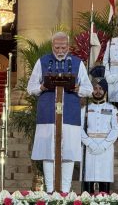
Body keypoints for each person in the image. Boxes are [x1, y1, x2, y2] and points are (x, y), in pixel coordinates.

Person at [27, 32, 93, 193]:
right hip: (47, 115)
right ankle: (50, 190)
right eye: (57, 47)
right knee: (47, 151)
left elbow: (89, 89)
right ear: (52, 46)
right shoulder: (42, 62)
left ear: (68, 47)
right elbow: (31, 88)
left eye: (63, 47)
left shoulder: (77, 63)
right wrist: (42, 87)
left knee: (69, 151)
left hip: (70, 114)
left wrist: (78, 88)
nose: (60, 50)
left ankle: (65, 190)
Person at [81, 66, 118, 194]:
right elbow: (80, 129)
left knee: (104, 180)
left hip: (106, 149)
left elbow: (116, 129)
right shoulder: (84, 109)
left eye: (100, 89)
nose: (98, 91)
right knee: (87, 182)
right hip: (88, 149)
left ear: (105, 91)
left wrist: (103, 145)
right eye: (95, 89)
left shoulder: (112, 109)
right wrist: (90, 143)